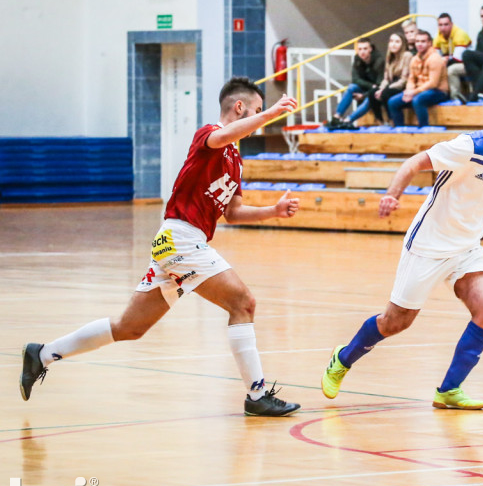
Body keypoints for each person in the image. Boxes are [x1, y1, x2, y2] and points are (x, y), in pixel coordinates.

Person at [20, 78, 303, 416]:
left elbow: (233, 212)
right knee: (243, 303)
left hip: (178, 244)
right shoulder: (209, 133)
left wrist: (273, 211)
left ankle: (43, 354)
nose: (259, 120)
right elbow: (223, 136)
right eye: (256, 111)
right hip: (182, 238)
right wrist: (270, 114)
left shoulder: (235, 160)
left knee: (130, 328)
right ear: (239, 108)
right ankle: (257, 396)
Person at [320, 95, 483, 409]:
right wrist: (392, 194)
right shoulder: (469, 146)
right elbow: (415, 162)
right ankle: (343, 358)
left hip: (467, 248)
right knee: (395, 321)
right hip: (429, 244)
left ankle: (448, 390)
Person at [388, 30, 449, 127]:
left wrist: (414, 92)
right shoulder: (414, 59)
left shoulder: (435, 58)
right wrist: (409, 91)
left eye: (423, 41)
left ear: (430, 43)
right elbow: (411, 79)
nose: (419, 44)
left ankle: (423, 128)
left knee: (418, 100)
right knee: (392, 102)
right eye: (417, 41)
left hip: (438, 91)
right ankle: (400, 131)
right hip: (419, 91)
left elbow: (433, 83)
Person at [354, 32, 413, 125]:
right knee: (373, 93)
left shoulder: (407, 55)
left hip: (402, 86)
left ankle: (391, 120)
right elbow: (386, 78)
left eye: (397, 42)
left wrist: (384, 90)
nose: (393, 44)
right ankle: (380, 121)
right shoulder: (389, 56)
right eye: (391, 41)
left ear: (403, 44)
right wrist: (380, 89)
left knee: (386, 93)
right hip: (391, 85)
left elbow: (404, 80)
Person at [330, 38, 383, 127]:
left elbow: (379, 85)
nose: (362, 52)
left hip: (377, 91)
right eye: (360, 49)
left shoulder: (379, 61)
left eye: (365, 49)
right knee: (351, 87)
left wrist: (364, 95)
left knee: (370, 97)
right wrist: (370, 86)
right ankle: (337, 117)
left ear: (371, 49)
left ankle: (348, 120)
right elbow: (355, 79)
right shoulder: (357, 58)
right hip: (368, 87)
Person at [433, 13, 474, 101]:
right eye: (440, 25)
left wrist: (442, 61)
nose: (443, 28)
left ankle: (455, 98)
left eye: (446, 24)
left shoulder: (460, 34)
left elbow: (457, 59)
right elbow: (434, 58)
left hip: (468, 64)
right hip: (452, 62)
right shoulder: (438, 37)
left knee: (451, 70)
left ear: (451, 24)